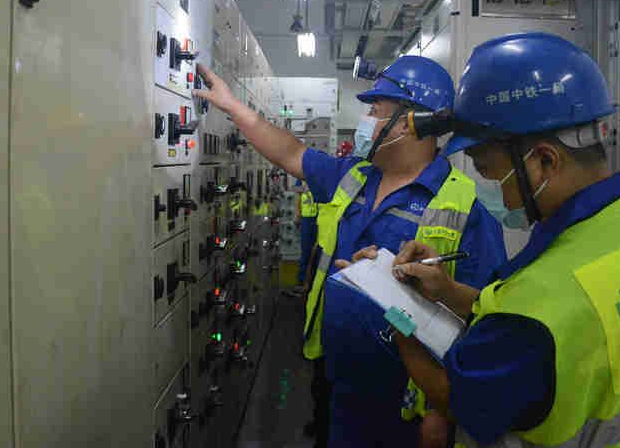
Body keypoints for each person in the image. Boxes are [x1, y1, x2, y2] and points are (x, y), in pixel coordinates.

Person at [390, 32, 620, 447]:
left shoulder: (538, 308)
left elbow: (459, 399)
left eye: (487, 172)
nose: (489, 190)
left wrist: (401, 325)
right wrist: (447, 291)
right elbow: (567, 326)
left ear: (544, 160)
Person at [195, 55, 507, 447]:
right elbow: (289, 152)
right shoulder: (352, 175)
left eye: (375, 109)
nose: (365, 119)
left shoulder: (465, 209)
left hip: (407, 397)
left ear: (412, 122)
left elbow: (482, 317)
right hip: (336, 379)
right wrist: (232, 106)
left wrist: (440, 411)